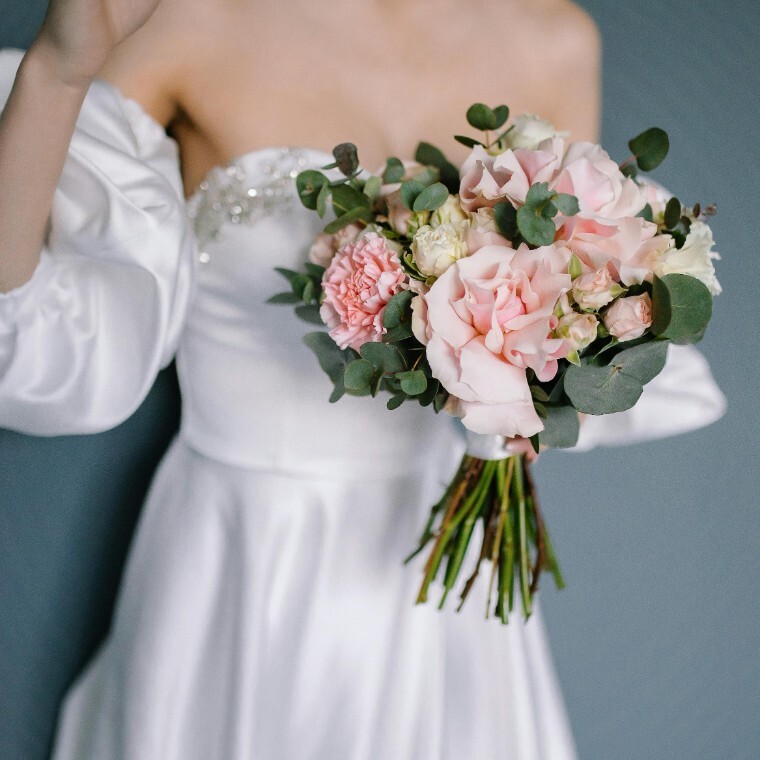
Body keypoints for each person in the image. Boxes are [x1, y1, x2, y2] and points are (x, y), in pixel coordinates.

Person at [0, 0, 725, 758]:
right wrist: (57, 71)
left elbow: (559, 302)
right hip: (241, 558)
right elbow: (44, 328)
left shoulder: (558, 39)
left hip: (447, 579)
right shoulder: (182, 21)